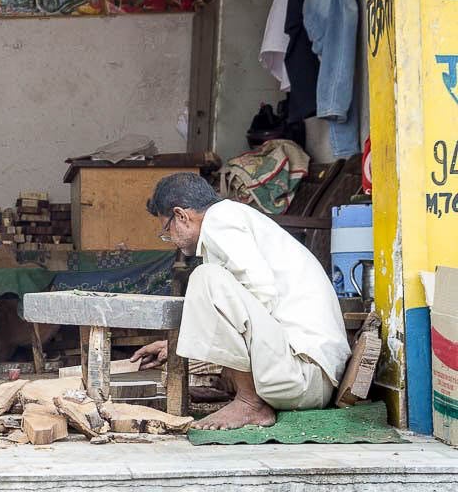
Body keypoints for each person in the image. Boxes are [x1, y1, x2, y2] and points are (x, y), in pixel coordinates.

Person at [131, 173, 350, 430]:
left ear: (181, 216)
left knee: (206, 278)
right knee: (211, 280)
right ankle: (249, 398)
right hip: (305, 376)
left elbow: (261, 295)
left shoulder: (220, 220)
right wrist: (178, 345)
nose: (172, 240)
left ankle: (250, 403)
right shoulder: (232, 222)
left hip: (304, 376)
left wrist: (205, 341)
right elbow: (249, 318)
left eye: (166, 230)